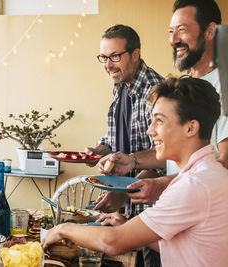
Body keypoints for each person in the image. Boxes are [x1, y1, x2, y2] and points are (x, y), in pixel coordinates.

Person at [43, 76, 228, 267]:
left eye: (159, 121)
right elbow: (185, 245)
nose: (150, 131)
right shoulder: (209, 174)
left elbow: (112, 241)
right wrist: (128, 228)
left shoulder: (193, 184)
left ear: (191, 128)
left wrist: (63, 229)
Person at [101, 0, 226, 205]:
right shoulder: (184, 84)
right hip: (176, 210)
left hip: (207, 211)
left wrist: (162, 184)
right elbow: (173, 150)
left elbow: (224, 165)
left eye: (182, 30)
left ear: (210, 31)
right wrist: (132, 160)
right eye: (170, 31)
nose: (173, 40)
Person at [84, 24, 164, 266]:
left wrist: (123, 193)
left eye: (115, 56)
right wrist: (99, 149)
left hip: (151, 207)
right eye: (104, 58)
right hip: (127, 206)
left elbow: (164, 156)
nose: (108, 65)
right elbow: (120, 136)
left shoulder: (155, 91)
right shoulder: (121, 84)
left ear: (135, 54)